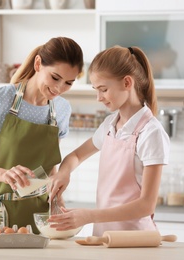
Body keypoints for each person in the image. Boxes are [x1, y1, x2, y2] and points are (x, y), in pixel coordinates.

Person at [0, 37, 84, 233]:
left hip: (37, 220)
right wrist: (3, 174)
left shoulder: (61, 109)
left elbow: (49, 168)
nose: (59, 88)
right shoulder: (0, 99)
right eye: (55, 77)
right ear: (38, 64)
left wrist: (56, 192)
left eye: (69, 82)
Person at [48, 45, 170, 236]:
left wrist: (89, 216)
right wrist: (64, 172)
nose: (99, 97)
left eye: (103, 89)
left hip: (135, 241)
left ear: (127, 83)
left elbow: (147, 205)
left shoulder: (151, 132)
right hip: (105, 238)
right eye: (96, 90)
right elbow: (77, 155)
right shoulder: (109, 126)